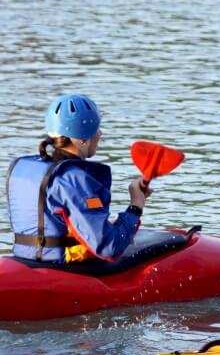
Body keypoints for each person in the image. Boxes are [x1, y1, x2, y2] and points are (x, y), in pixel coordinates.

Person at [6, 94, 152, 263]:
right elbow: (108, 247)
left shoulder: (22, 167)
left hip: (24, 260)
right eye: (96, 129)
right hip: (64, 269)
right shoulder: (74, 179)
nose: (100, 134)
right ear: (83, 140)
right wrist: (136, 206)